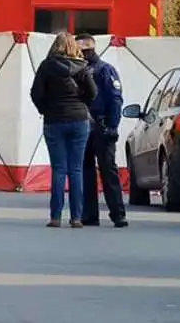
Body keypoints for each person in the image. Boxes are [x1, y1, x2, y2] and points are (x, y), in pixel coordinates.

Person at [30, 32, 97, 228]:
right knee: (76, 170)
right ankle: (76, 217)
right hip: (79, 120)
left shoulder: (46, 66)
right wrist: (82, 105)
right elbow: (93, 92)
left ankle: (55, 217)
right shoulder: (82, 67)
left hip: (54, 121)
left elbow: (35, 93)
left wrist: (46, 109)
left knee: (59, 169)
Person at [75, 33, 128, 228]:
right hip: (83, 125)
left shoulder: (105, 70)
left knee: (107, 171)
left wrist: (113, 125)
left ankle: (118, 214)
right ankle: (90, 215)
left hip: (101, 125)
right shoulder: (79, 70)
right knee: (87, 172)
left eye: (83, 50)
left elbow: (115, 98)